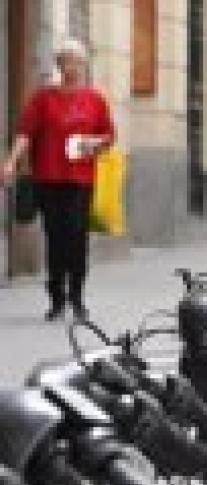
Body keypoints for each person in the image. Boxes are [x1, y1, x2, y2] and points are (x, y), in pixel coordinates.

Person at [0, 38, 115, 323]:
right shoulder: (43, 98)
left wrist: (94, 143)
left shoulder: (94, 99)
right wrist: (11, 161)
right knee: (55, 238)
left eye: (75, 61)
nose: (70, 66)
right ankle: (56, 298)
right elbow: (25, 132)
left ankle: (77, 297)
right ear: (58, 64)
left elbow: (109, 136)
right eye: (65, 60)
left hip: (80, 179)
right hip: (48, 178)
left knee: (76, 237)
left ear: (83, 64)